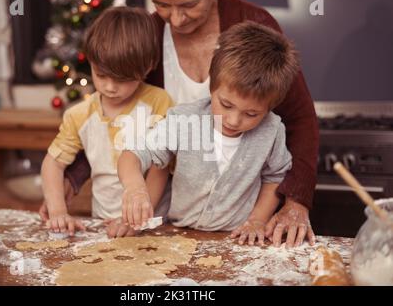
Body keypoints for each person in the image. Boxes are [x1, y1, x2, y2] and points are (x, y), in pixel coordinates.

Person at [45, 0, 318, 248]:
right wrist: (70, 179)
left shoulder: (254, 25)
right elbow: (117, 113)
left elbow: (299, 119)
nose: (175, 18)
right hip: (172, 212)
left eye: (188, 4)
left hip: (235, 216)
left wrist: (297, 201)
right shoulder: (147, 34)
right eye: (162, 5)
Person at [118, 21, 300, 246]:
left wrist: (257, 220)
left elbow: (275, 177)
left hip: (237, 239)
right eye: (225, 104)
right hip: (179, 234)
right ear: (212, 86)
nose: (233, 120)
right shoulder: (183, 120)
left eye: (251, 114)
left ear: (270, 107)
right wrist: (135, 188)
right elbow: (133, 155)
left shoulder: (272, 131)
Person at [40, 7, 174, 236]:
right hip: (103, 224)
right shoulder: (79, 115)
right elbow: (53, 163)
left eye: (123, 79)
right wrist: (58, 210)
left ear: (148, 65)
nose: (110, 87)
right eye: (101, 75)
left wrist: (137, 219)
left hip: (155, 225)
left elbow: (161, 168)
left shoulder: (159, 103)